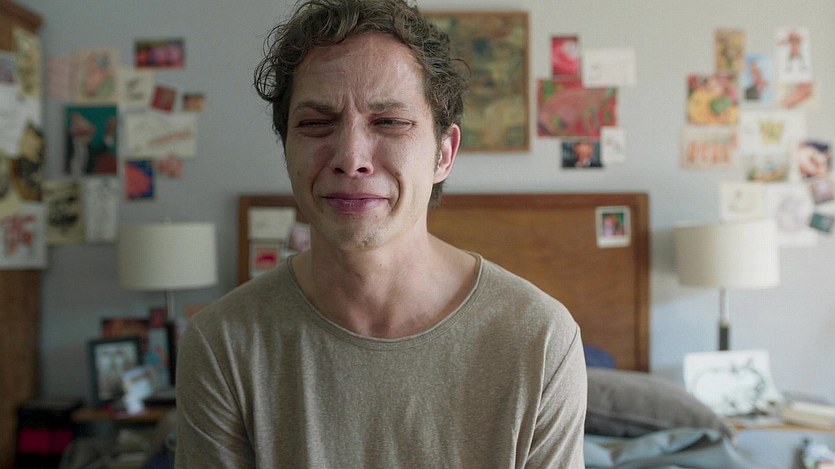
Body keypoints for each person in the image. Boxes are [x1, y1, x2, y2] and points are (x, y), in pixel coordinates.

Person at [175, 0, 587, 467]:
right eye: (315, 124)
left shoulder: (539, 339)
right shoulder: (222, 344)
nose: (350, 158)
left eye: (389, 122)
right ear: (286, 148)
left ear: (444, 154)